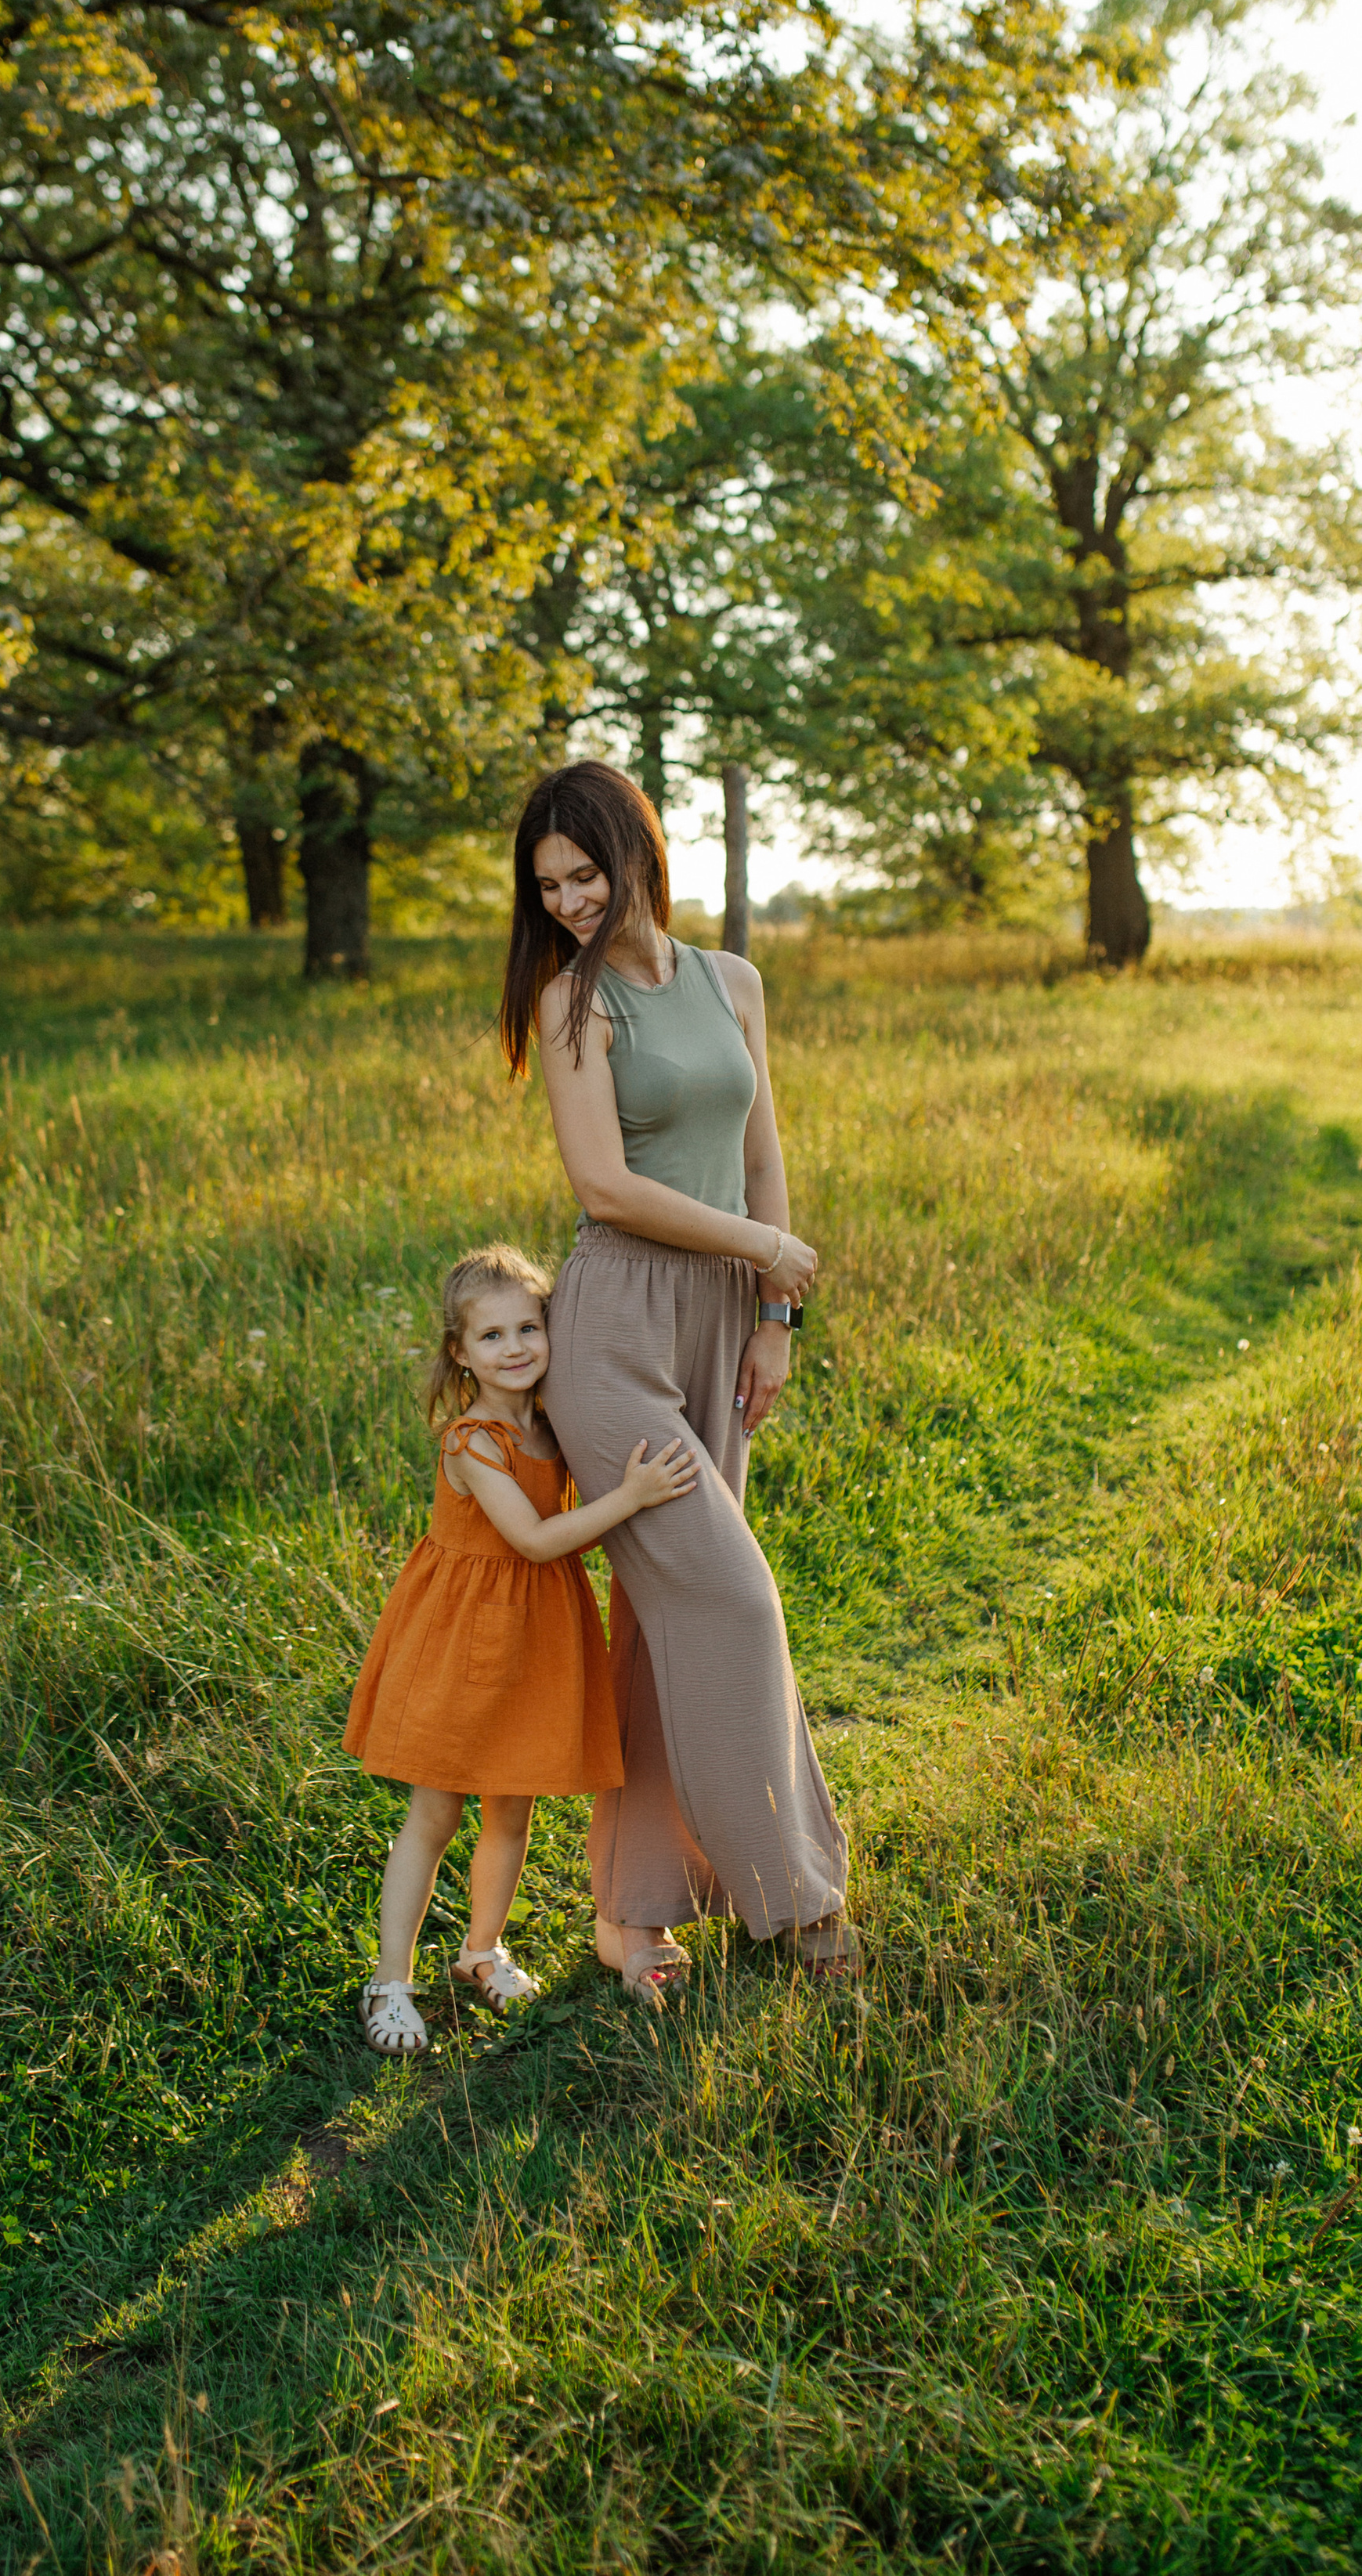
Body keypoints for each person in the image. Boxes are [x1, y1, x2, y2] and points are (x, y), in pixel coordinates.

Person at [500, 761, 852, 2004]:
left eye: (584, 874)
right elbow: (602, 1185)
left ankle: (632, 1910)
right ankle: (798, 1899)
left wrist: (775, 1313)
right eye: (546, 887)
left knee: (663, 1628)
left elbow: (764, 1156)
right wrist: (763, 1249)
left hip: (719, 1327)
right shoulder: (570, 1005)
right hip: (613, 1339)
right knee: (737, 1601)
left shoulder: (731, 983)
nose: (568, 902)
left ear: (637, 852)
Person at [344, 1241, 699, 2056]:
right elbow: (536, 1542)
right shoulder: (471, 1443)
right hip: (461, 1641)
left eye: (528, 1329)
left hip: (533, 1642)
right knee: (434, 1813)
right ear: (459, 1354)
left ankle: (481, 1952)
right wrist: (631, 1497)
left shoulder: (553, 1430)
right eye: (492, 1337)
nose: (514, 1350)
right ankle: (389, 1982)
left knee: (512, 1808)